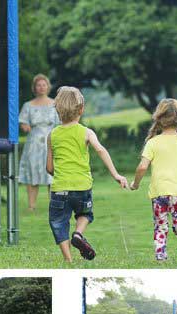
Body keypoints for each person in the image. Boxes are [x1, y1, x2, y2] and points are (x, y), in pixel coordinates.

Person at [46, 86, 128, 262]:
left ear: (57, 109)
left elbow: (49, 168)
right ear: (81, 109)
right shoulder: (86, 132)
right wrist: (116, 175)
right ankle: (78, 233)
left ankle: (68, 259)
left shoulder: (52, 135)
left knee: (59, 223)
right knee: (85, 214)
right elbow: (100, 150)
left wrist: (59, 173)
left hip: (60, 188)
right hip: (82, 186)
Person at [129, 99, 177, 261]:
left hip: (159, 193)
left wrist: (135, 184)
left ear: (159, 118)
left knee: (161, 225)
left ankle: (161, 255)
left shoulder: (153, 143)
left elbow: (142, 167)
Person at [18, 74, 59, 211]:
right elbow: (22, 121)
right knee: (32, 172)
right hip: (34, 143)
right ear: (34, 88)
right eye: (38, 85)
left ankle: (53, 204)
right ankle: (31, 205)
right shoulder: (28, 105)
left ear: (48, 87)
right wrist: (25, 126)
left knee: (52, 173)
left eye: (44, 85)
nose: (41, 87)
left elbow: (60, 122)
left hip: (51, 140)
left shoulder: (55, 104)